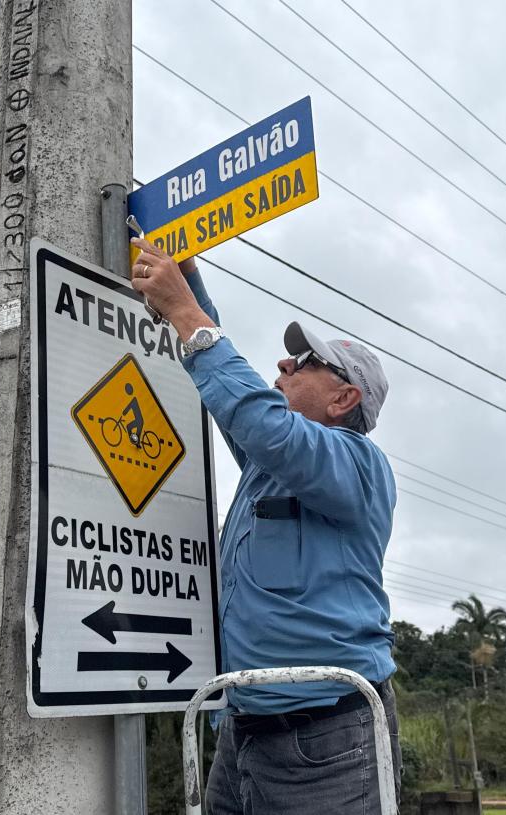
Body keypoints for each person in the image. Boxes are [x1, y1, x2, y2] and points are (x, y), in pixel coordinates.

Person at [131, 236, 399, 814]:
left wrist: (187, 314)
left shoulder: (356, 462)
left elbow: (262, 419)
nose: (284, 363)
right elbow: (245, 409)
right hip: (242, 724)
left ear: (343, 398)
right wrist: (188, 279)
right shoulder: (269, 464)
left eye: (304, 363)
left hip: (327, 735)